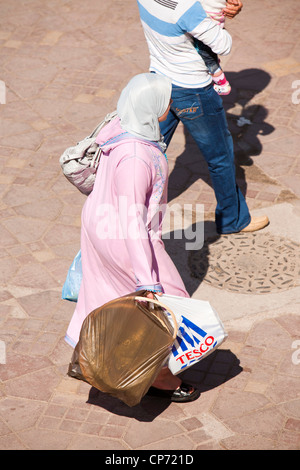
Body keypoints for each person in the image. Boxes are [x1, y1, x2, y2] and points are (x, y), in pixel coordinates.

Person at [65, 73, 200, 402]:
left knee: (111, 298)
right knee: (167, 304)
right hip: (120, 236)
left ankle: (99, 358)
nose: (171, 105)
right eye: (167, 100)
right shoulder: (138, 158)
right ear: (151, 107)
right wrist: (147, 279)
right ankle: (160, 376)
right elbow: (130, 222)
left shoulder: (122, 124)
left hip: (100, 223)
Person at [137, 0, 269, 235]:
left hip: (159, 81)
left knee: (147, 151)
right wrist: (218, 15)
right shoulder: (187, 9)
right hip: (193, 92)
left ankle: (125, 211)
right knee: (221, 157)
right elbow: (223, 44)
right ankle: (234, 219)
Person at [194, 0, 231, 95]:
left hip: (207, 28)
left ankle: (223, 85)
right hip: (216, 24)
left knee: (210, 63)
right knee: (210, 55)